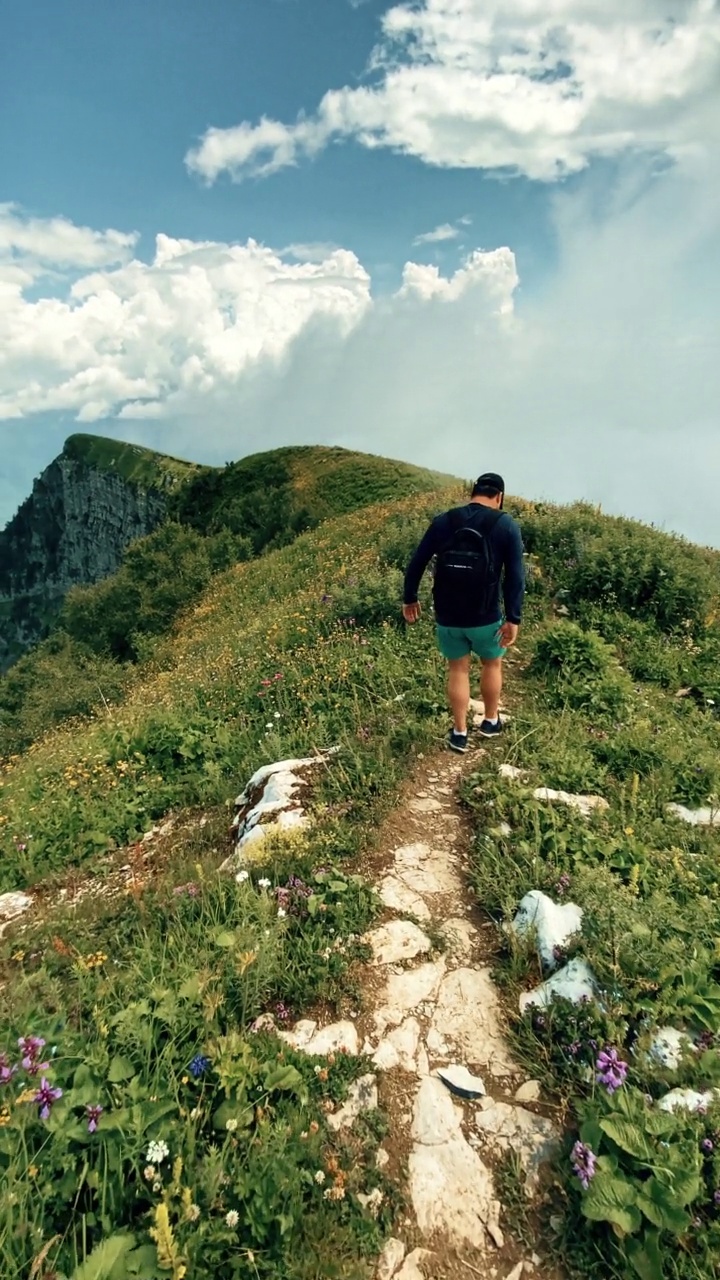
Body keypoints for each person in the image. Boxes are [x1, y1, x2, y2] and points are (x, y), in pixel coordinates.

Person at [402, 472, 525, 753]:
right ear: (500, 497)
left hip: (448, 615)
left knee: (457, 669)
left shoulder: (444, 521)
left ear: (473, 492)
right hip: (486, 616)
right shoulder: (506, 525)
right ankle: (491, 721)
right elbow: (516, 576)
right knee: (491, 664)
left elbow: (417, 562)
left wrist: (410, 598)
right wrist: (513, 618)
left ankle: (459, 732)